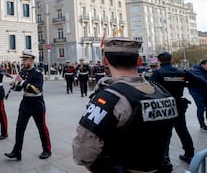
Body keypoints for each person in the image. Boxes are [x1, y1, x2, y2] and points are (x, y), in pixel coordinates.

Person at [73, 37, 178, 173]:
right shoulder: (163, 93)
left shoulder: (111, 98)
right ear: (139, 61)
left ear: (105, 61)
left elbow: (82, 154)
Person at [149, 52, 197, 164]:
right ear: (171, 60)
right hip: (179, 104)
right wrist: (185, 84)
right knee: (182, 130)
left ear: (159, 61)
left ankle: (165, 158)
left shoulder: (157, 73)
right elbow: (198, 82)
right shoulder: (182, 72)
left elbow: (150, 88)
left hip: (164, 106)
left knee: (165, 133)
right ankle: (190, 154)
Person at [4, 50, 51, 161]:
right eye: (23, 60)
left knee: (42, 129)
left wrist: (22, 82)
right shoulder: (23, 72)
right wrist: (14, 85)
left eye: (25, 60)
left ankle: (47, 150)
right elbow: (20, 88)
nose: (23, 62)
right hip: (25, 104)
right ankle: (16, 152)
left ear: (31, 60)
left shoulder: (37, 74)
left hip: (37, 104)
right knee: (19, 128)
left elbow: (36, 89)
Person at [188, 59, 207, 131]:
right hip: (196, 91)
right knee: (201, 107)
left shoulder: (205, 70)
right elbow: (201, 79)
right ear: (203, 65)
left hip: (204, 90)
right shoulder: (195, 70)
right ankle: (202, 125)